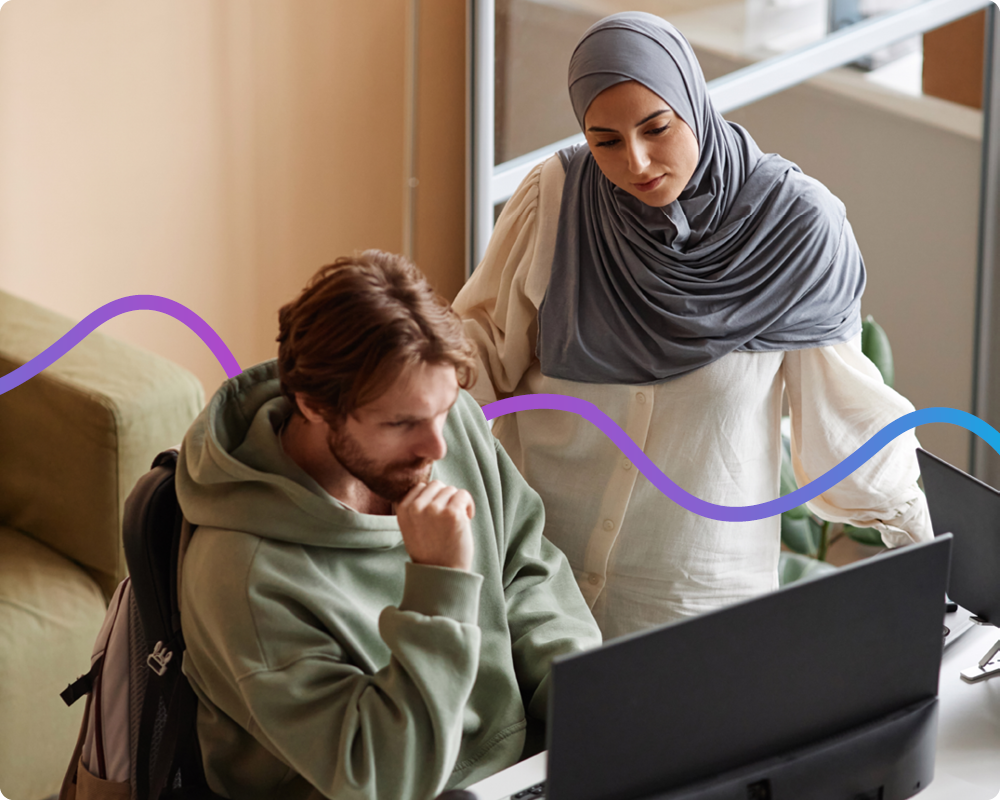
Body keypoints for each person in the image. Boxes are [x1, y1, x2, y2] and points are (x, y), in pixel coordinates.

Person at [453, 12, 932, 640]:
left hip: (697, 604)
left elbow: (848, 416)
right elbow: (473, 364)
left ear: (693, 101)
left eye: (657, 127)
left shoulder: (796, 229)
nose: (638, 161)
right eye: (606, 141)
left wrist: (933, 547)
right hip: (541, 588)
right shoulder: (555, 202)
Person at [175, 250, 601, 800]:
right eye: (401, 424)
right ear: (312, 405)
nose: (437, 447)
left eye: (445, 408)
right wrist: (441, 582)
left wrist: (591, 705)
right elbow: (383, 779)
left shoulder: (439, 428)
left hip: (517, 774)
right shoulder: (243, 576)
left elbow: (525, 570)